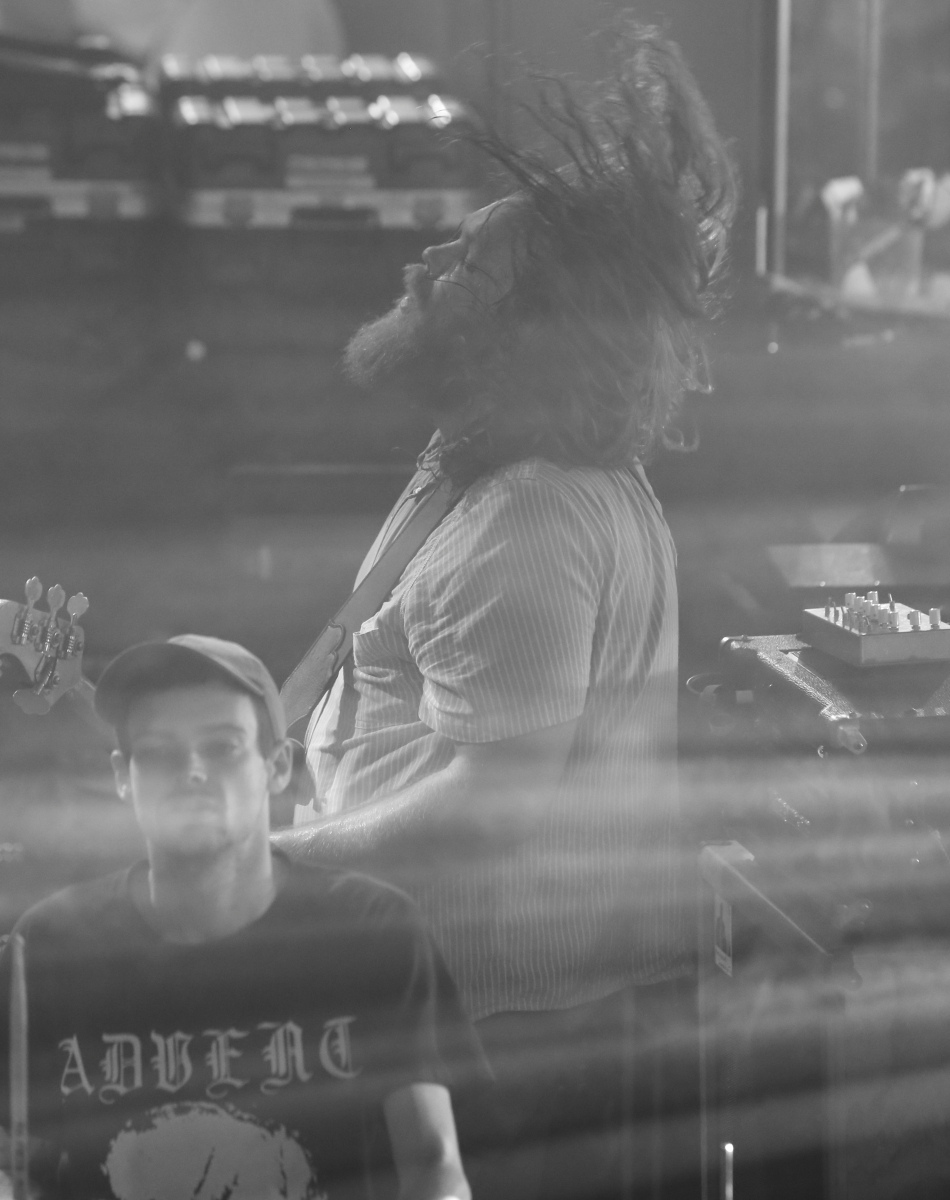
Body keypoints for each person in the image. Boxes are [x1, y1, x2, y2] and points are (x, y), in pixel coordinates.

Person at [274, 18, 737, 1199]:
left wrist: (284, 861)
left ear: (521, 335)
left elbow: (490, 813)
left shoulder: (529, 518)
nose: (429, 262)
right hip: (487, 1005)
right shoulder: (476, 464)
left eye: (470, 266)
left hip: (510, 1029)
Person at [0, 635, 476, 1200]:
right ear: (123, 775)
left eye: (222, 747)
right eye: (159, 752)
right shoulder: (50, 945)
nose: (192, 770)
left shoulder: (373, 930)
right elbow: (12, 1164)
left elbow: (432, 1164)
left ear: (278, 766)